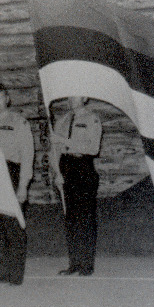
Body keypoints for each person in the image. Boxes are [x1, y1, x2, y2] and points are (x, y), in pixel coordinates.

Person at [0, 81, 34, 286]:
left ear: (7, 99)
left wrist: (23, 186)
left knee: (12, 225)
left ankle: (15, 274)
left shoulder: (18, 121)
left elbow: (27, 155)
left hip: (11, 175)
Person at [50, 97, 102, 276]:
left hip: (83, 166)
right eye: (70, 95)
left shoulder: (92, 119)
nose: (72, 99)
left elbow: (93, 148)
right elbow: (55, 149)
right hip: (66, 167)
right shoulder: (63, 120)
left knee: (85, 217)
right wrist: (57, 172)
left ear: (85, 98)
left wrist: (65, 140)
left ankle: (86, 264)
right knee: (70, 217)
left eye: (76, 95)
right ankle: (74, 263)